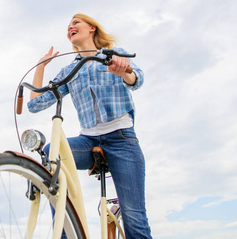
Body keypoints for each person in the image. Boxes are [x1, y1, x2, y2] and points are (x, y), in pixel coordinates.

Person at [27, 14, 152, 239]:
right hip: (88, 140)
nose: (70, 27)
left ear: (92, 28)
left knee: (135, 217)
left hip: (122, 139)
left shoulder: (113, 55)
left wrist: (125, 70)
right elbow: (35, 104)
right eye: (68, 26)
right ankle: (67, 231)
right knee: (51, 154)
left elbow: (138, 80)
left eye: (76, 23)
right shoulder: (68, 71)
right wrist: (40, 67)